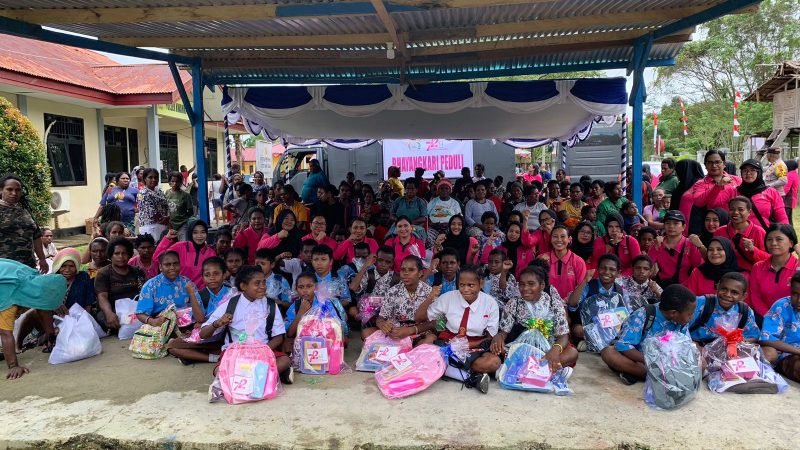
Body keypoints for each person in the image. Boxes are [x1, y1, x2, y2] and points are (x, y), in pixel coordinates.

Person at [201, 265, 293, 384]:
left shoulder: (270, 305)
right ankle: (265, 378)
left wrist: (261, 352)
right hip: (235, 352)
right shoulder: (231, 305)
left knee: (284, 360)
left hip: (262, 349)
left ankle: (245, 380)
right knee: (219, 370)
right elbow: (203, 334)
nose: (262, 287)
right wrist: (217, 324)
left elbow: (278, 337)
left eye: (264, 283)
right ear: (243, 286)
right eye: (257, 283)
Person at [418, 266, 501, 394]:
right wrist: (430, 297)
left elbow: (490, 337)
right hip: (448, 342)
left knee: (493, 362)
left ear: (481, 283)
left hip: (475, 346)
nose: (465, 289)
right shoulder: (448, 297)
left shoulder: (490, 303)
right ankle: (471, 377)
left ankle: (446, 369)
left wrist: (464, 346)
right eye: (462, 285)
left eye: (471, 285)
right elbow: (420, 317)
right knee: (423, 349)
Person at [600, 284, 697, 385]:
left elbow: (686, 346)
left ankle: (641, 375)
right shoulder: (644, 314)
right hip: (641, 360)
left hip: (668, 364)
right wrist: (652, 361)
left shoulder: (681, 323)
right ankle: (653, 376)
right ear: (674, 313)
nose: (692, 317)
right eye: (689, 314)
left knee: (701, 363)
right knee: (609, 353)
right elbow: (623, 345)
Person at [491, 265, 578, 374]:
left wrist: (555, 351)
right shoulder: (514, 303)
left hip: (547, 351)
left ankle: (527, 370)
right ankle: (541, 371)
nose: (525, 288)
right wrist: (499, 337)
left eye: (531, 284)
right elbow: (504, 332)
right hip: (520, 350)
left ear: (542, 285)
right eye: (522, 284)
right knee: (499, 349)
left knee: (572, 352)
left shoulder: (554, 304)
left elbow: (563, 335)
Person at [14, 248, 95, 353]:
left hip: (76, 317)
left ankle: (48, 340)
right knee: (32, 313)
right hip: (52, 319)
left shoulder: (83, 277)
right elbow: (42, 301)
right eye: (63, 266)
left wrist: (85, 320)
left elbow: (88, 302)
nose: (67, 270)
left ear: (77, 266)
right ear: (58, 266)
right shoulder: (51, 279)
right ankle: (18, 344)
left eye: (71, 266)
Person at [166, 257, 231, 364]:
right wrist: (192, 293)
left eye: (216, 274)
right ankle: (213, 358)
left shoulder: (231, 293)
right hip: (206, 335)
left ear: (224, 275)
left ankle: (198, 355)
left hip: (224, 335)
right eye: (207, 275)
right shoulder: (201, 294)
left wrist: (202, 323)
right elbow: (199, 318)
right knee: (172, 346)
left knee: (174, 345)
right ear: (203, 277)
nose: (212, 278)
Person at [568, 254, 627, 348]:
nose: (607, 272)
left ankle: (592, 343)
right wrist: (584, 281)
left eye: (612, 269)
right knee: (578, 330)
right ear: (598, 269)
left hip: (609, 327)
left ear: (618, 272)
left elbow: (623, 314)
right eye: (603, 268)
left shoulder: (619, 290)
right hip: (589, 326)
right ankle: (600, 343)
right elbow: (572, 305)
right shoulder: (589, 285)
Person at [135, 250, 204, 331]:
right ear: (160, 267)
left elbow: (200, 315)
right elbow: (140, 313)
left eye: (175, 264)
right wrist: (152, 321)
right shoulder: (151, 285)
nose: (172, 267)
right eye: (168, 265)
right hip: (160, 328)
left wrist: (191, 293)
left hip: (186, 327)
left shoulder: (186, 282)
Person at [373, 255, 436, 342]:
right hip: (396, 333)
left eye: (411, 270)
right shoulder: (393, 291)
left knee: (430, 339)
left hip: (420, 333)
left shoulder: (429, 292)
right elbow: (381, 318)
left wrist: (412, 330)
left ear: (420, 273)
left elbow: (434, 322)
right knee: (367, 333)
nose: (406, 273)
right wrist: (383, 325)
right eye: (403, 270)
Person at [748, 224, 799, 322]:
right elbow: (755, 297)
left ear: (791, 243)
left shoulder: (797, 267)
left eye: (779, 239)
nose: (773, 243)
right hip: (766, 320)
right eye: (769, 239)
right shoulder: (758, 267)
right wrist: (770, 317)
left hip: (795, 320)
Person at [689, 272, 758, 345]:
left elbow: (753, 336)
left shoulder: (745, 311)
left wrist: (738, 341)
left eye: (734, 293)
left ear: (743, 296)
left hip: (727, 350)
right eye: (724, 289)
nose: (727, 295)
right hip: (696, 346)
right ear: (718, 286)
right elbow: (681, 329)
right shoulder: (701, 303)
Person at [0, 175, 49, 275]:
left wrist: (42, 259)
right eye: (9, 189)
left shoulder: (25, 210)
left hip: (28, 266)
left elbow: (36, 236)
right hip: (4, 268)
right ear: (1, 190)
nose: (14, 193)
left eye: (18, 190)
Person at [94, 238, 146, 332]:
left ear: (129, 255)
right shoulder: (103, 273)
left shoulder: (136, 271)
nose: (121, 256)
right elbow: (102, 297)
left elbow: (145, 293)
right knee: (102, 317)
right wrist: (109, 313)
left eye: (124, 253)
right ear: (111, 255)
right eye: (117, 253)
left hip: (134, 310)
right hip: (113, 311)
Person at [725, 159, 789, 229]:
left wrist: (785, 234)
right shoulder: (733, 191)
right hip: (738, 235)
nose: (748, 173)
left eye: (752, 170)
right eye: (745, 170)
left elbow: (782, 219)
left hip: (763, 236)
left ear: (759, 172)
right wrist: (718, 186)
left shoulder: (771, 192)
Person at [760, 272, 800, 382]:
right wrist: (798, 351)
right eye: (795, 294)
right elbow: (767, 339)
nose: (799, 300)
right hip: (787, 355)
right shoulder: (782, 306)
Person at [154, 220, 216, 289]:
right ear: (190, 233)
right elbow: (156, 258)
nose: (199, 236)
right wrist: (167, 239)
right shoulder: (180, 246)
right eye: (195, 232)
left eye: (203, 232)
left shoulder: (211, 253)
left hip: (200, 295)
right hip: (178, 292)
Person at [713, 196, 768, 272]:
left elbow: (769, 258)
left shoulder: (759, 231)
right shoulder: (719, 231)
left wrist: (753, 250)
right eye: (732, 209)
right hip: (725, 274)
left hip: (751, 274)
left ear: (749, 212)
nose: (735, 212)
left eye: (740, 209)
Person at [648, 211, 703, 287]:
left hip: (684, 287)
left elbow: (699, 269)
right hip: (660, 285)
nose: (671, 226)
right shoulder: (658, 243)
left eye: (676, 223)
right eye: (668, 223)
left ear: (683, 227)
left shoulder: (690, 245)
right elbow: (647, 264)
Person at [591, 213, 641, 277]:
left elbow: (638, 263)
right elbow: (596, 258)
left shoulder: (631, 241)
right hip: (605, 276)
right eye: (610, 227)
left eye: (617, 226)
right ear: (606, 228)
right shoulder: (599, 240)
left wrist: (622, 276)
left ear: (622, 227)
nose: (614, 230)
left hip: (627, 277)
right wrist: (611, 244)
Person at [545, 225, 587, 300]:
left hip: (570, 306)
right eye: (555, 236)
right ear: (551, 239)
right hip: (546, 306)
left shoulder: (578, 262)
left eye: (562, 236)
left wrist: (567, 302)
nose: (559, 239)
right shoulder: (543, 259)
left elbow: (581, 289)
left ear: (569, 239)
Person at [671, 159, 706, 236]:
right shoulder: (682, 185)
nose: (676, 174)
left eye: (678, 170)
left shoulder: (700, 186)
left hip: (694, 228)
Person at [137, 168, 169, 240]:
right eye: (150, 177)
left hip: (163, 225)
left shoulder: (159, 192)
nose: (153, 180)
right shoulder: (143, 193)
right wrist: (165, 220)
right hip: (150, 226)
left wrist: (168, 218)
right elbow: (151, 212)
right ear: (145, 179)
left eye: (156, 177)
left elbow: (167, 206)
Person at [164, 171, 194, 240]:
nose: (175, 183)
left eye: (177, 181)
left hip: (182, 225)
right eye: (172, 181)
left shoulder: (186, 195)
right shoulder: (167, 193)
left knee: (183, 244)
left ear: (181, 182)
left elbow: (191, 211)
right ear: (169, 182)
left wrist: (183, 219)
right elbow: (165, 208)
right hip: (170, 225)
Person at [784, 159, 798, 224]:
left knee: (785, 218)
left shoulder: (790, 175)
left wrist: (779, 196)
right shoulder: (795, 173)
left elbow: (786, 188)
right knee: (789, 219)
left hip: (788, 200)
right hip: (791, 199)